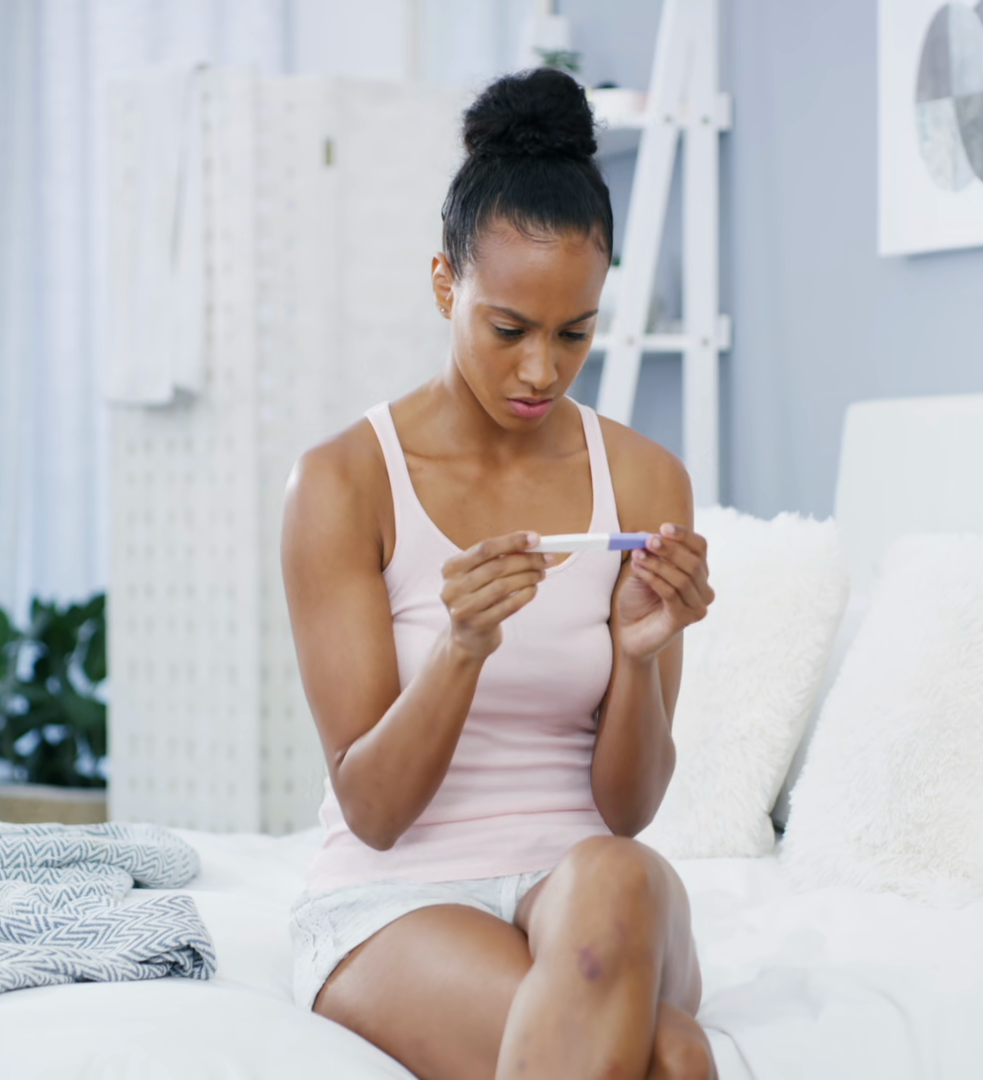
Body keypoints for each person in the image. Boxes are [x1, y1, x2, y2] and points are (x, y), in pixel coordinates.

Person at [281, 67, 717, 1080]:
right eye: (509, 329)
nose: (540, 372)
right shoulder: (345, 482)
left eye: (575, 334)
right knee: (673, 1058)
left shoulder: (646, 480)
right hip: (397, 895)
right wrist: (462, 650)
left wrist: (637, 657)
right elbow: (374, 812)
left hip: (593, 897)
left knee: (617, 869)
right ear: (446, 285)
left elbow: (629, 811)